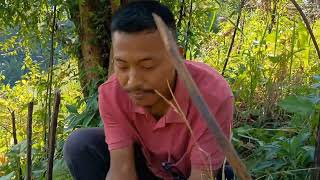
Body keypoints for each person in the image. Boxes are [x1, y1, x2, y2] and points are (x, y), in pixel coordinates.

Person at [63, 1, 234, 180]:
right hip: (149, 169)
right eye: (122, 66)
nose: (133, 81)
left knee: (226, 174)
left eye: (147, 66)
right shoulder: (112, 94)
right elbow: (122, 169)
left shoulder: (211, 95)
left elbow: (202, 176)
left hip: (195, 173)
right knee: (80, 144)